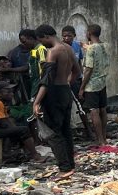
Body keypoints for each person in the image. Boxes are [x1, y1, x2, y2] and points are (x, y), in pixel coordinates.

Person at [33, 24, 80, 174]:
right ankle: (70, 165)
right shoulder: (69, 48)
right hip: (65, 91)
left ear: (46, 36)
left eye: (41, 40)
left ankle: (64, 168)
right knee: (66, 130)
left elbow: (47, 80)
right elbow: (77, 72)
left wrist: (37, 102)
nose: (42, 44)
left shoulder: (53, 52)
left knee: (53, 132)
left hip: (54, 94)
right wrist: (67, 84)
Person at [79, 23, 111, 148]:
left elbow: (88, 69)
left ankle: (100, 140)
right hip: (102, 82)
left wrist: (82, 88)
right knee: (102, 109)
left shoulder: (91, 49)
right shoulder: (104, 46)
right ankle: (104, 137)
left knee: (94, 111)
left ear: (89, 33)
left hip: (91, 84)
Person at [62, 25, 84, 96]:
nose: (66, 38)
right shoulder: (60, 47)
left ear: (74, 35)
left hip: (77, 79)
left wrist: (82, 76)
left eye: (69, 36)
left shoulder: (77, 45)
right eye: (64, 36)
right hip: (65, 80)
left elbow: (79, 61)